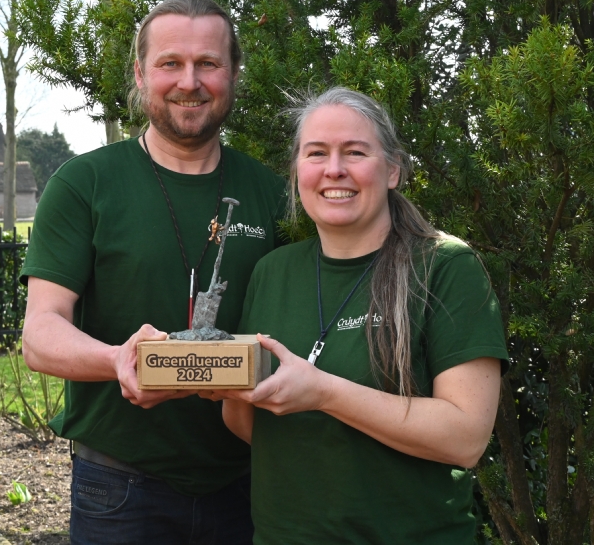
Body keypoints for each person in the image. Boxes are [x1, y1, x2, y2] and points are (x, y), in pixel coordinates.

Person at [19, 0, 286, 545]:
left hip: (250, 481)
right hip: (120, 486)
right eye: (170, 63)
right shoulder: (84, 185)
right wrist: (118, 359)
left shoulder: (272, 194)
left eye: (208, 63)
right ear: (141, 75)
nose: (189, 81)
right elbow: (41, 337)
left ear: (233, 73)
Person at [218, 87, 510, 544]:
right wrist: (215, 380)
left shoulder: (444, 267)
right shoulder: (272, 272)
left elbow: (465, 438)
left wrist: (323, 393)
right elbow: (247, 427)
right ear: (297, 171)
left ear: (393, 170)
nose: (334, 169)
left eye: (355, 152)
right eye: (316, 153)